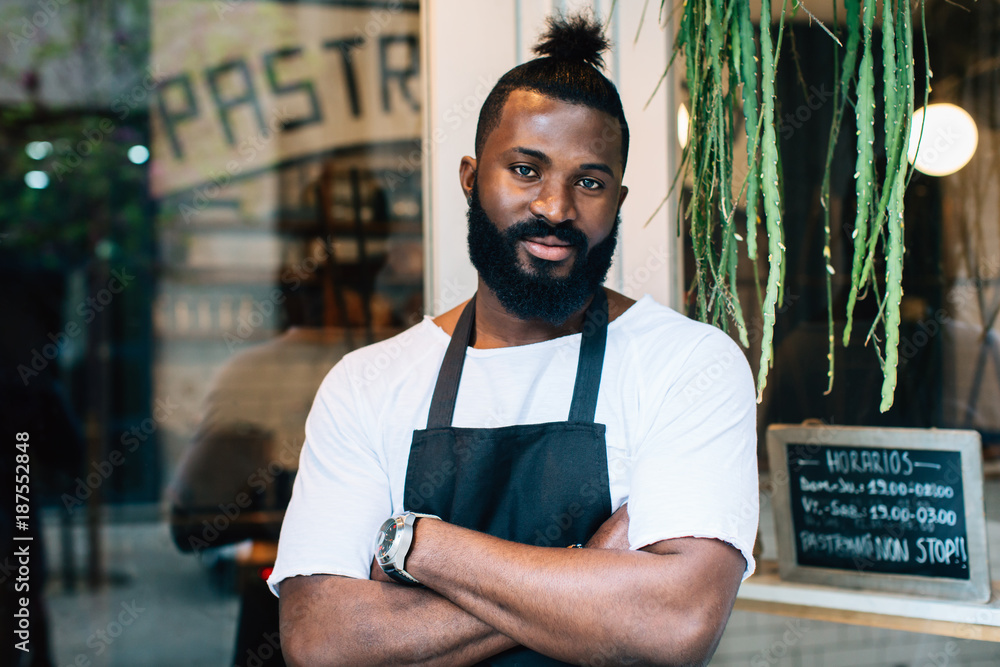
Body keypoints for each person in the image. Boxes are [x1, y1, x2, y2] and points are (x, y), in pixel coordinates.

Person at [268, 13, 758, 666]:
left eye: (589, 181)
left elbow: (674, 622)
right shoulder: (369, 381)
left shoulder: (690, 365)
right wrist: (590, 572)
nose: (555, 207)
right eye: (526, 170)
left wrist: (420, 546)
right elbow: (323, 641)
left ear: (618, 199)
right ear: (472, 178)